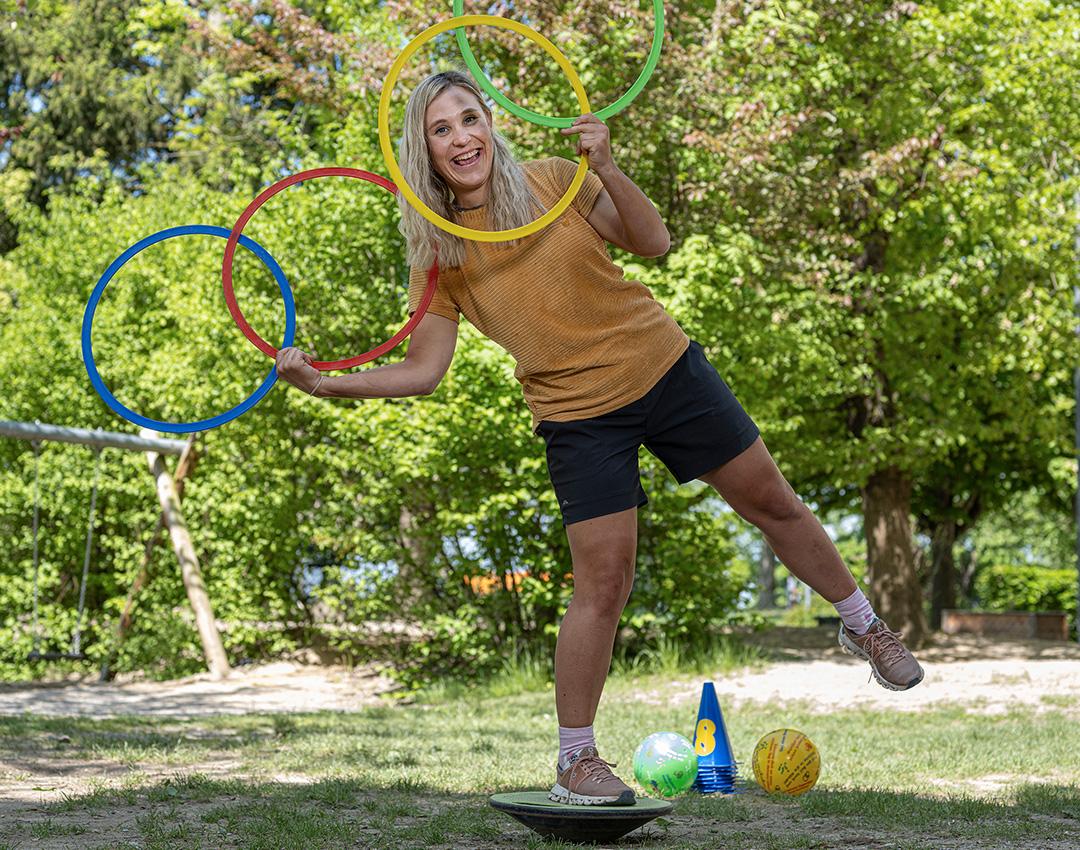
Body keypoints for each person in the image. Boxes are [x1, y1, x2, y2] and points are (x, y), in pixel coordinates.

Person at [275, 69, 924, 806]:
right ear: (423, 151)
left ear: (492, 123)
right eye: (441, 129)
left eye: (469, 119)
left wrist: (608, 168)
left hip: (663, 365)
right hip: (576, 413)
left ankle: (865, 628)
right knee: (603, 583)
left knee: (770, 502)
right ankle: (575, 759)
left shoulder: (554, 180)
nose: (462, 138)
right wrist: (325, 381)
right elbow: (423, 371)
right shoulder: (442, 253)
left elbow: (654, 241)